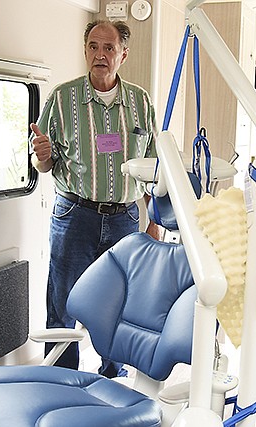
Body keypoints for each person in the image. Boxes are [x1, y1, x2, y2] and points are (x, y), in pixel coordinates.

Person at [29, 20, 159, 378]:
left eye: (108, 48)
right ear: (85, 50)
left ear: (123, 54)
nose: (100, 54)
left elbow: (154, 166)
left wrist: (155, 221)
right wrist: (40, 154)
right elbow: (43, 162)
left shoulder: (140, 101)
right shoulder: (62, 97)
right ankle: (61, 377)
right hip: (75, 214)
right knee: (63, 301)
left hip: (125, 217)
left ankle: (112, 374)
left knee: (118, 300)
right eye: (93, 46)